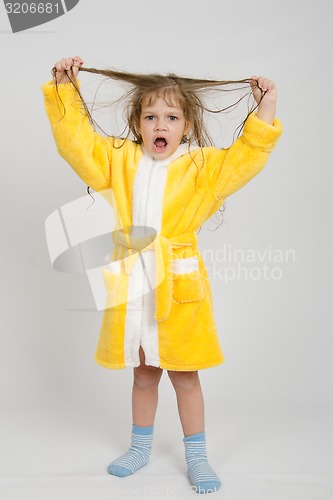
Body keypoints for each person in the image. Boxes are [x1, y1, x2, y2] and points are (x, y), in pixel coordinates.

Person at [42, 56, 282, 495]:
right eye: (151, 116)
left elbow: (245, 158)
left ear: (186, 126)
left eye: (171, 117)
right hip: (134, 285)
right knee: (144, 373)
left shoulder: (201, 168)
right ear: (137, 123)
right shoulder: (119, 161)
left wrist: (264, 108)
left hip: (178, 285)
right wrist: (64, 90)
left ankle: (197, 456)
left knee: (186, 375)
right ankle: (140, 448)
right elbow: (76, 142)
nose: (161, 124)